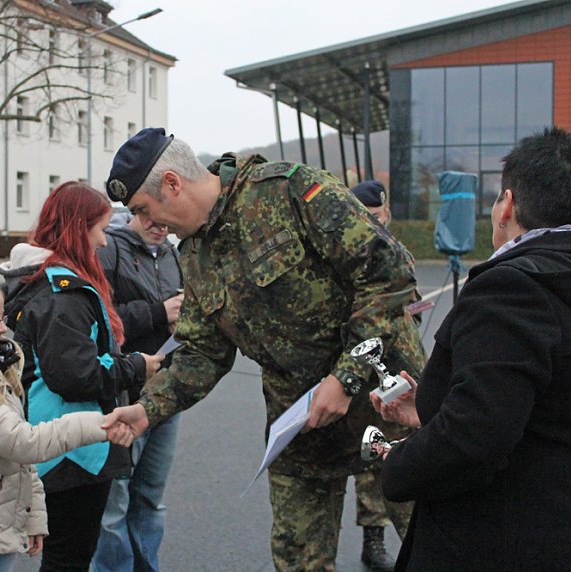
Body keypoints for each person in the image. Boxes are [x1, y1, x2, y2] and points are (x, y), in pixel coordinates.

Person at [104, 128, 427, 571]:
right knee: (297, 560)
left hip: (389, 400)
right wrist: (147, 410)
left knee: (434, 538)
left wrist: (345, 377)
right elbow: (203, 353)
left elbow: (389, 276)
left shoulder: (288, 191)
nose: (149, 224)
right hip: (302, 422)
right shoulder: (196, 253)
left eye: (144, 209)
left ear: (173, 184)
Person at [372, 127, 571, 571]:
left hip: (501, 537)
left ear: (508, 206)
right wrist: (431, 405)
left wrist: (398, 464)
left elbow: (475, 437)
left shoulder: (510, 288)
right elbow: (554, 401)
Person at [0, 182, 164, 572]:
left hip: (66, 442)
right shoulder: (62, 294)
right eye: (100, 229)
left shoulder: (50, 285)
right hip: (72, 451)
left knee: (66, 555)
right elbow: (76, 375)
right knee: (69, 558)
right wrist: (137, 365)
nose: (104, 242)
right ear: (78, 227)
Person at [0, 274, 136, 572]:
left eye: (2, 318)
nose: (3, 329)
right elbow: (23, 443)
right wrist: (99, 425)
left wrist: (33, 517)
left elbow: (21, 468)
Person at [92, 212, 184, 572]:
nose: (161, 228)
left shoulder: (172, 254)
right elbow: (103, 318)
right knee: (114, 505)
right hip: (126, 393)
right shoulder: (111, 248)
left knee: (150, 499)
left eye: (167, 222)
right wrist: (159, 312)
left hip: (168, 391)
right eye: (154, 220)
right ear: (137, 210)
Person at [349, 178, 399, 572]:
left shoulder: (397, 251)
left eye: (379, 215)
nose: (375, 222)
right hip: (358, 370)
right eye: (368, 215)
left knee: (389, 455)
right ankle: (373, 541)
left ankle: (384, 541)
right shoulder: (347, 251)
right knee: (365, 458)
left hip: (395, 371)